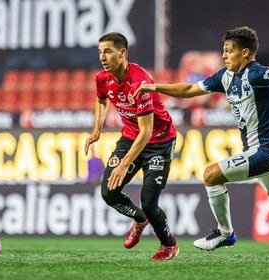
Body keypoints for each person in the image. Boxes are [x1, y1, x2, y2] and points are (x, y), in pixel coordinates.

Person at [135, 26, 269, 261]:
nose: (224, 56)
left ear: (245, 52)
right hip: (257, 150)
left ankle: (225, 233)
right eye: (223, 51)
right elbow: (191, 88)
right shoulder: (225, 76)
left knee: (211, 175)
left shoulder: (259, 74)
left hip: (267, 150)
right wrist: (155, 87)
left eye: (229, 51)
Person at [84, 32, 179, 260]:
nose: (102, 57)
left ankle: (169, 246)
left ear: (122, 52)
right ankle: (139, 219)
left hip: (159, 142)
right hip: (129, 138)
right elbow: (101, 99)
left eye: (107, 51)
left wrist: (124, 164)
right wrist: (97, 128)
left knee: (149, 202)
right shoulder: (102, 78)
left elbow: (146, 132)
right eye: (100, 52)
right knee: (109, 193)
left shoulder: (140, 81)